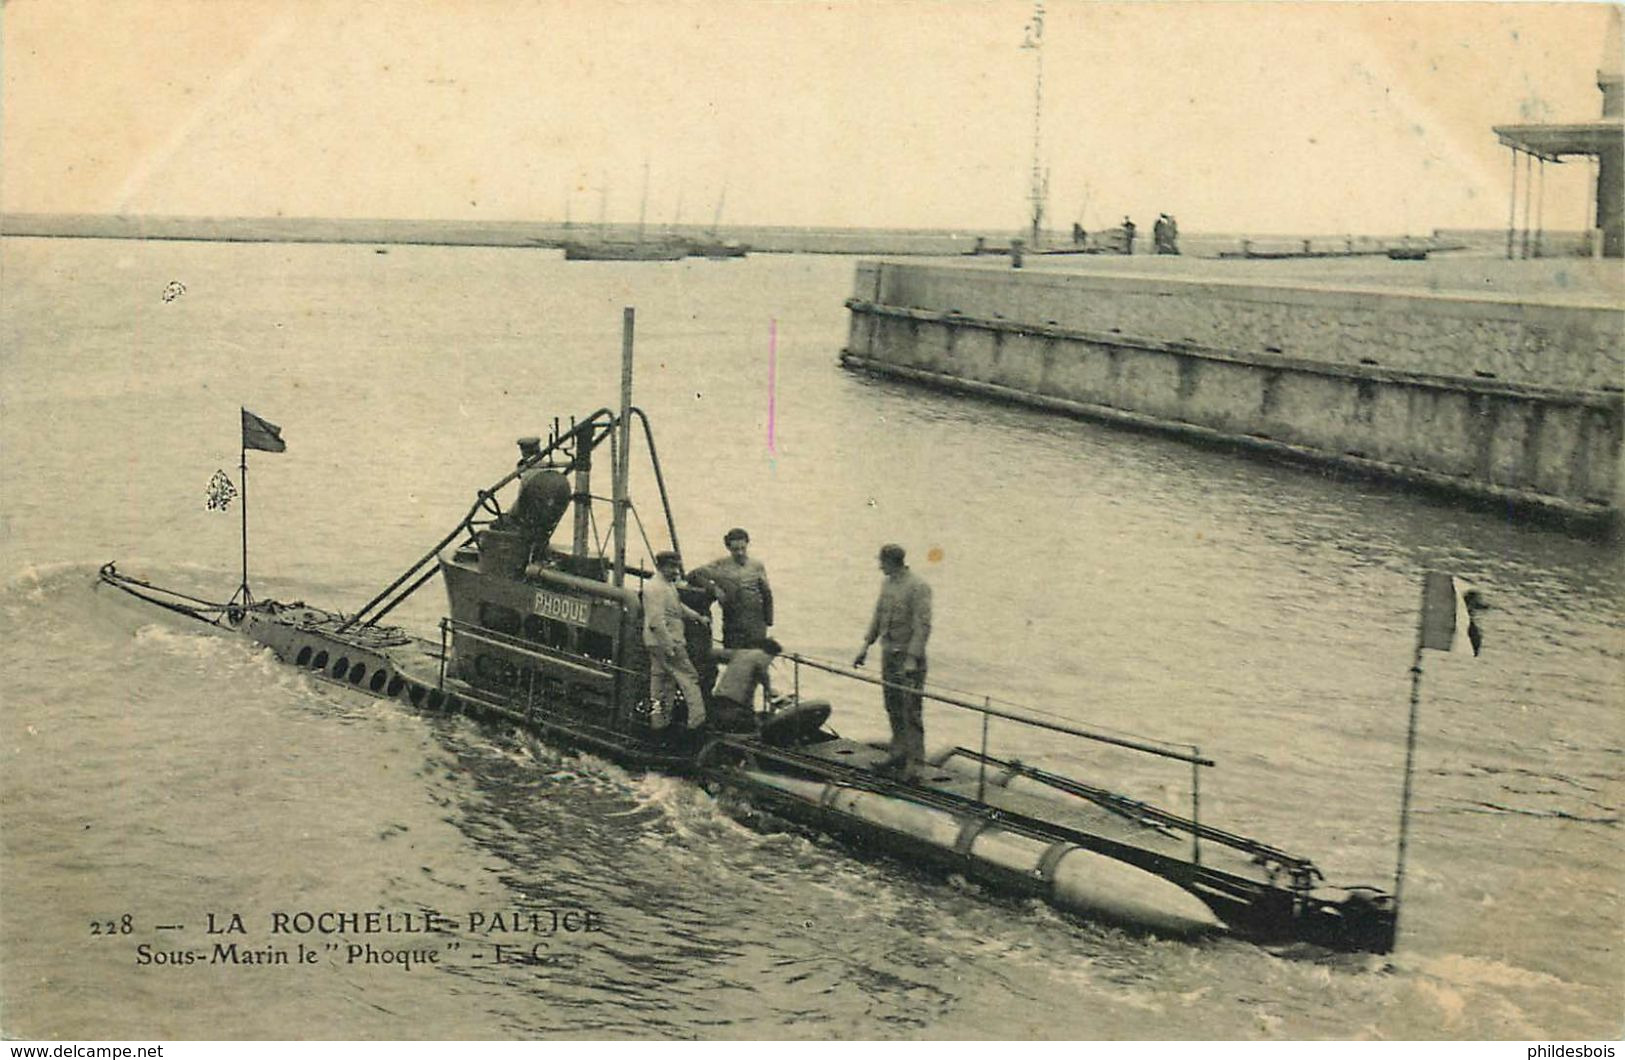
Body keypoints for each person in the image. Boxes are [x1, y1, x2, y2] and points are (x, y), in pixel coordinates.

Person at [852, 544, 933, 779]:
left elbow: (923, 626)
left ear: (891, 562)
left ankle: (916, 764)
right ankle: (898, 753)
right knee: (892, 706)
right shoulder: (887, 584)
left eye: (882, 562)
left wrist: (911, 659)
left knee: (911, 710)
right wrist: (865, 647)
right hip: (889, 654)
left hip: (909, 660)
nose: (879, 566)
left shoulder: (918, 587)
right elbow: (878, 617)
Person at [642, 551, 709, 732]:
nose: (676, 571)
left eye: (677, 566)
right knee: (689, 678)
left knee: (661, 682)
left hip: (656, 643)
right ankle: (697, 723)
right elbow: (656, 622)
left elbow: (677, 607)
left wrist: (697, 617)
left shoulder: (666, 585)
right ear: (660, 567)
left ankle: (659, 722)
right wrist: (669, 646)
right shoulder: (655, 588)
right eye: (671, 567)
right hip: (667, 641)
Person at [691, 528, 774, 649]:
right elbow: (694, 575)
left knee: (756, 657)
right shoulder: (720, 564)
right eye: (735, 549)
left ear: (747, 545)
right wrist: (714, 589)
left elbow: (766, 593)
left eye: (743, 548)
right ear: (728, 548)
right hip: (733, 620)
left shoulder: (757, 565)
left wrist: (769, 620)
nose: (740, 553)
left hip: (756, 621)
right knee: (733, 657)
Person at [710, 637, 782, 733]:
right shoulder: (763, 656)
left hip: (720, 697)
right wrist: (768, 690)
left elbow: (714, 653)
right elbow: (762, 671)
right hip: (737, 703)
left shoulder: (740, 653)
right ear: (772, 653)